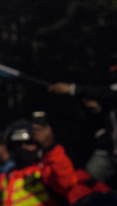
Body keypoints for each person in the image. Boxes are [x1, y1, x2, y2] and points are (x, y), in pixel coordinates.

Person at [49, 57, 117, 187]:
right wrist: (96, 109)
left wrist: (73, 89)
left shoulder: (110, 92)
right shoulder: (110, 99)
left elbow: (109, 93)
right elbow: (107, 121)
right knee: (85, 182)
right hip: (108, 152)